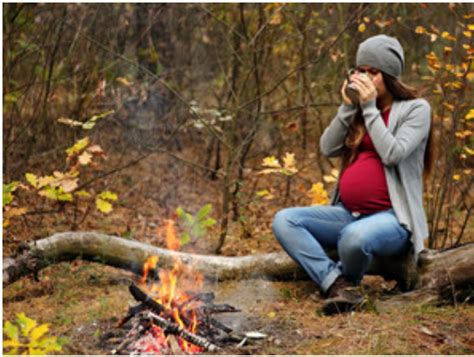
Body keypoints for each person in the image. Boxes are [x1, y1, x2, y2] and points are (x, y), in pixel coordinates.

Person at [272, 34, 433, 315]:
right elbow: (328, 147)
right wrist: (348, 107)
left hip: (393, 218)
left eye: (373, 72)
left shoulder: (416, 109)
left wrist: (369, 108)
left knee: (353, 237)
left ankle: (347, 279)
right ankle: (336, 283)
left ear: (389, 75)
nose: (365, 77)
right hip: (349, 213)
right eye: (361, 70)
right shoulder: (357, 110)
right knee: (285, 220)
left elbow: (393, 153)